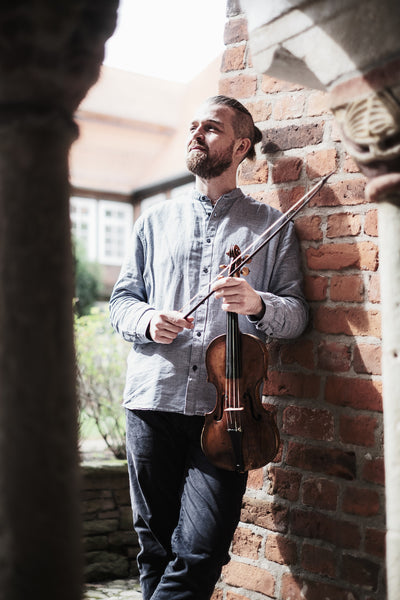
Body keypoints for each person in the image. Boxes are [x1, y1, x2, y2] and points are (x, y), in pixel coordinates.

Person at [109, 95, 308, 600]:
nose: (196, 133)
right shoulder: (153, 222)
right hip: (152, 399)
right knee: (154, 546)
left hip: (227, 415)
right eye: (194, 126)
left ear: (241, 145)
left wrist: (257, 303)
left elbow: (296, 315)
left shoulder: (272, 228)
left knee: (202, 551)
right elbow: (122, 302)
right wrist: (149, 320)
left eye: (212, 128)